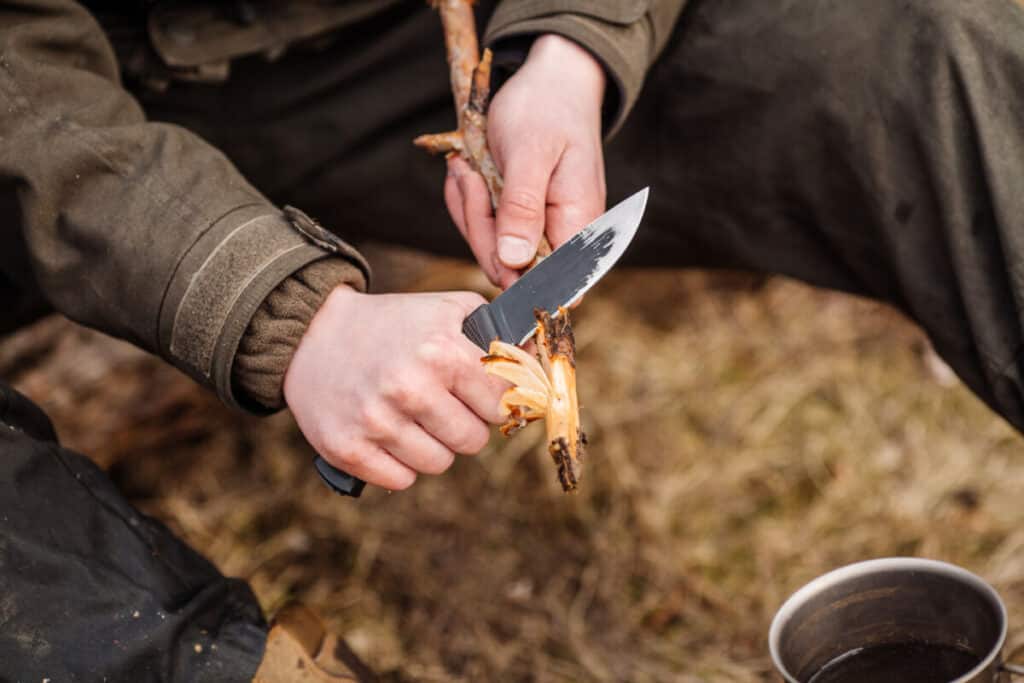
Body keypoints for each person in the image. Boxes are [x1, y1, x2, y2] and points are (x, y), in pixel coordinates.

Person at [1, 0, 1023, 679]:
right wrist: (282, 311)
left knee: (919, 48)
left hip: (369, 36)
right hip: (36, 106)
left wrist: (575, 47)